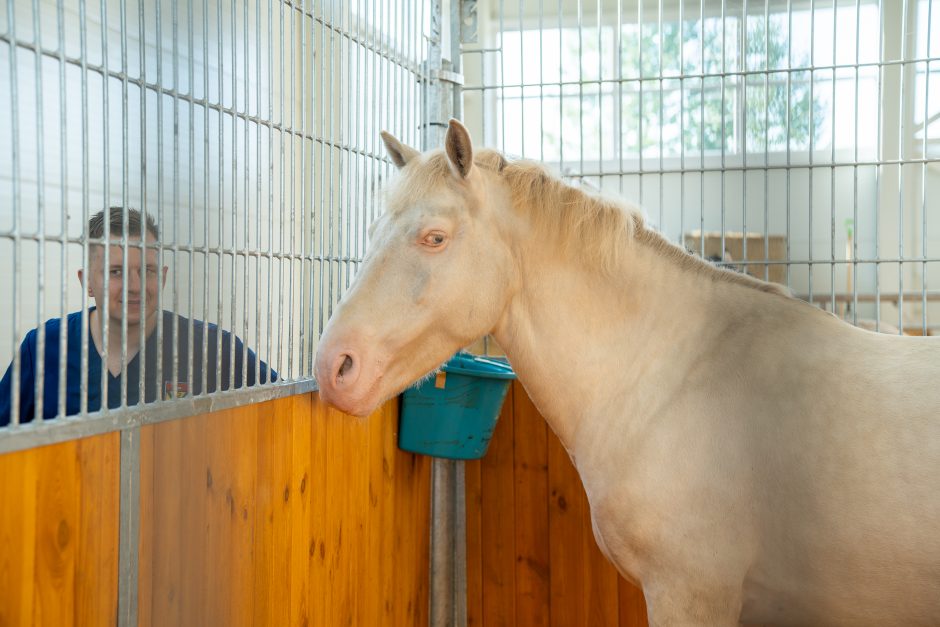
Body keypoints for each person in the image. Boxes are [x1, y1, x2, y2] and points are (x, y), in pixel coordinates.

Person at [0, 207, 275, 426]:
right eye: (116, 272)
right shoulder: (44, 348)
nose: (135, 286)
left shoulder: (209, 347)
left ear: (163, 278)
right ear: (88, 283)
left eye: (147, 271)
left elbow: (284, 402)